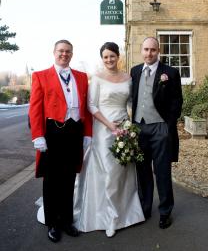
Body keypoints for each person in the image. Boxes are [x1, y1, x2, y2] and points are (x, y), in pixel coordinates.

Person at [73, 42, 145, 237]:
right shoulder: (96, 79)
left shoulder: (128, 78)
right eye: (105, 57)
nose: (109, 60)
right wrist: (109, 124)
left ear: (118, 56)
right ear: (102, 59)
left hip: (124, 128)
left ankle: (125, 213)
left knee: (122, 170)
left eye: (112, 56)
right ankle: (108, 218)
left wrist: (129, 125)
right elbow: (92, 106)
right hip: (104, 130)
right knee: (108, 172)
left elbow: (130, 102)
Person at [29, 39, 92, 243]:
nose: (64, 54)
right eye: (61, 51)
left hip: (74, 131)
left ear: (72, 54)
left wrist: (87, 134)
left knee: (69, 179)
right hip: (52, 132)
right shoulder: (40, 76)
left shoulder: (82, 77)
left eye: (68, 51)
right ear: (54, 52)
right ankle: (53, 224)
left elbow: (87, 109)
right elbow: (35, 108)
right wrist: (38, 135)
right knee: (52, 180)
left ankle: (66, 221)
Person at [130, 37, 183, 229]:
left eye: (153, 50)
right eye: (146, 49)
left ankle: (165, 212)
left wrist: (168, 125)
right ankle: (145, 209)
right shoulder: (135, 71)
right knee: (142, 171)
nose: (149, 53)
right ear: (141, 50)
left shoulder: (170, 72)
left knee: (162, 171)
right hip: (139, 127)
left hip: (160, 128)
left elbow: (177, 101)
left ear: (158, 51)